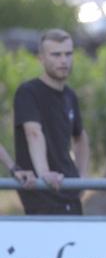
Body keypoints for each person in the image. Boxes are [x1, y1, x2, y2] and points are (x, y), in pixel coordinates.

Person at [13, 29, 90, 214]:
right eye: (56, 54)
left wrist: (82, 176)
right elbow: (33, 133)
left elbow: (80, 137)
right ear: (41, 58)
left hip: (69, 190)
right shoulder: (29, 92)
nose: (63, 60)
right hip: (42, 193)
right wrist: (44, 173)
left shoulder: (70, 95)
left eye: (68, 54)